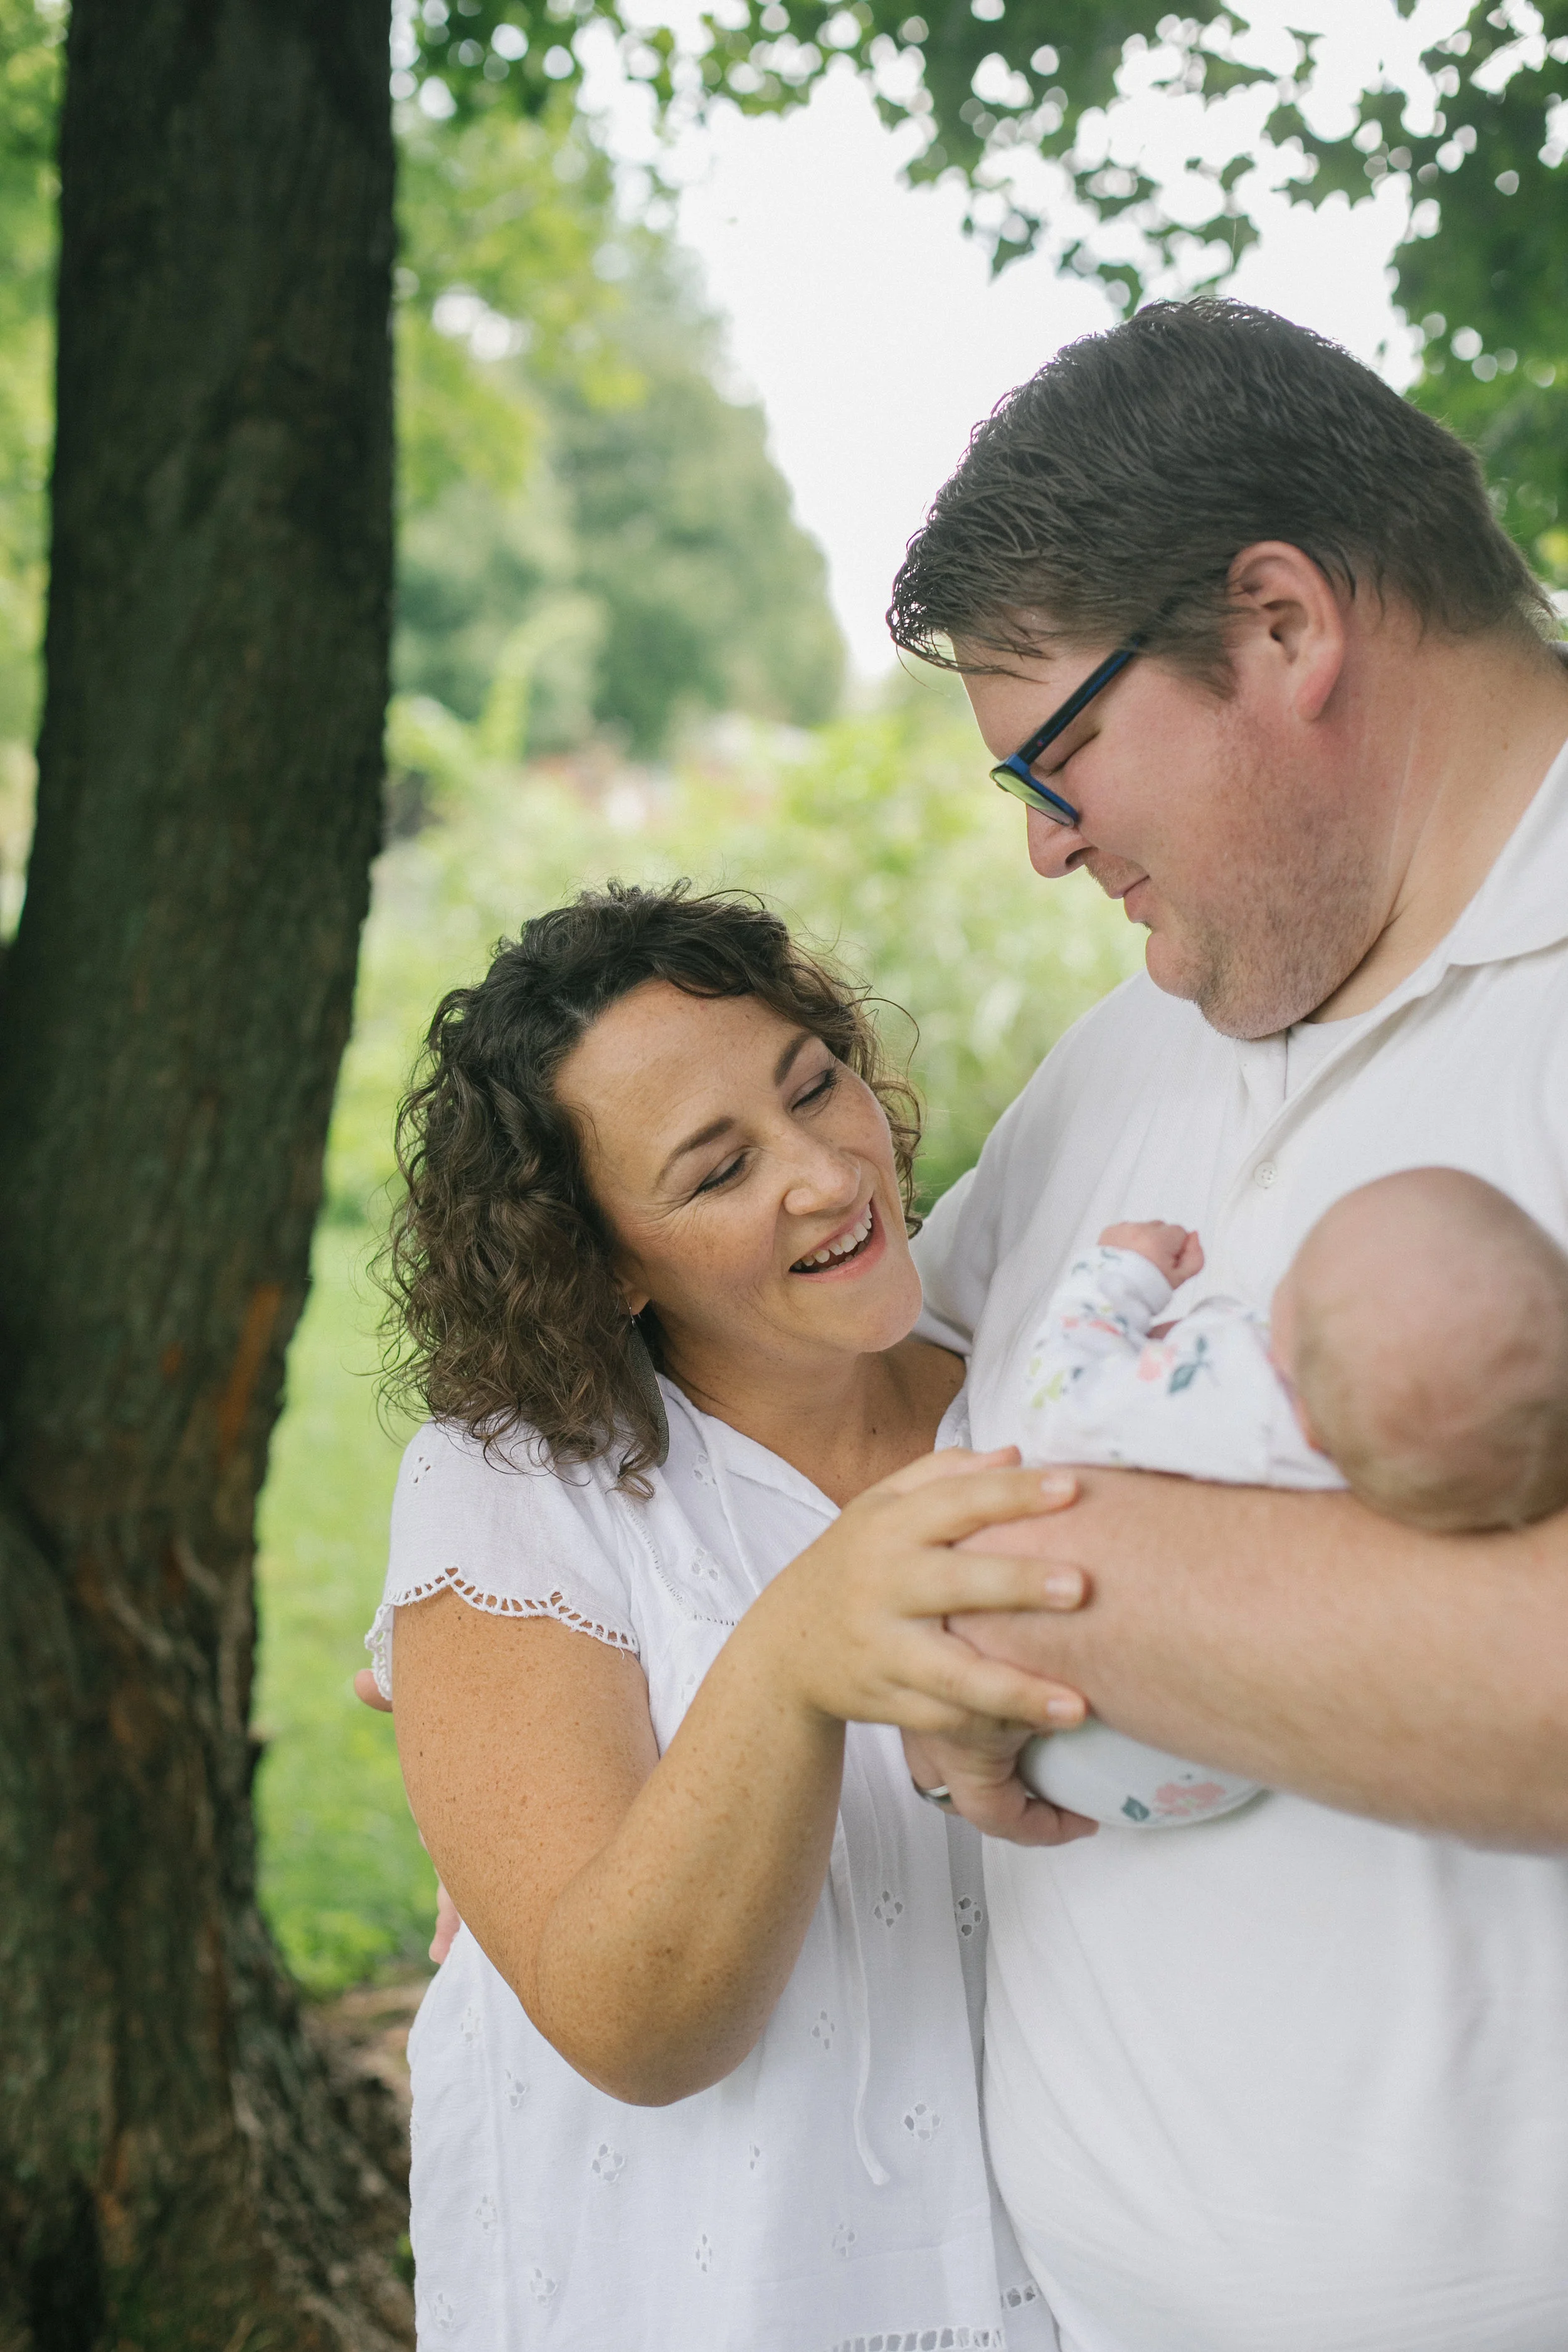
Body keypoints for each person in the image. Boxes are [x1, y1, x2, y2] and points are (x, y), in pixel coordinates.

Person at [883, 298, 1568, 2352]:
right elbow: (852, 1414)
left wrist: (1008, 1593)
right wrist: (568, 1681)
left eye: (1059, 752)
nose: (1042, 839)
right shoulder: (1137, 1042)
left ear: (1280, 626)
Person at [365, 883, 1079, 2349]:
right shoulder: (517, 1490)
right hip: (715, 2289)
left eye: (812, 1085)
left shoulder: (1041, 1377)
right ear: (605, 1261)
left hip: (1076, 2268)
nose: (824, 1173)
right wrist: (791, 1660)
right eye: (718, 1171)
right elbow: (632, 2027)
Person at [992, 1170, 1568, 1828]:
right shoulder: (1425, 1450)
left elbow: (1061, 1402)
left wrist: (1121, 1274)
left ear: (1307, 1416)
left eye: (1303, 1284)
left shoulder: (1248, 1397)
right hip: (1247, 1740)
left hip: (1111, 1734)